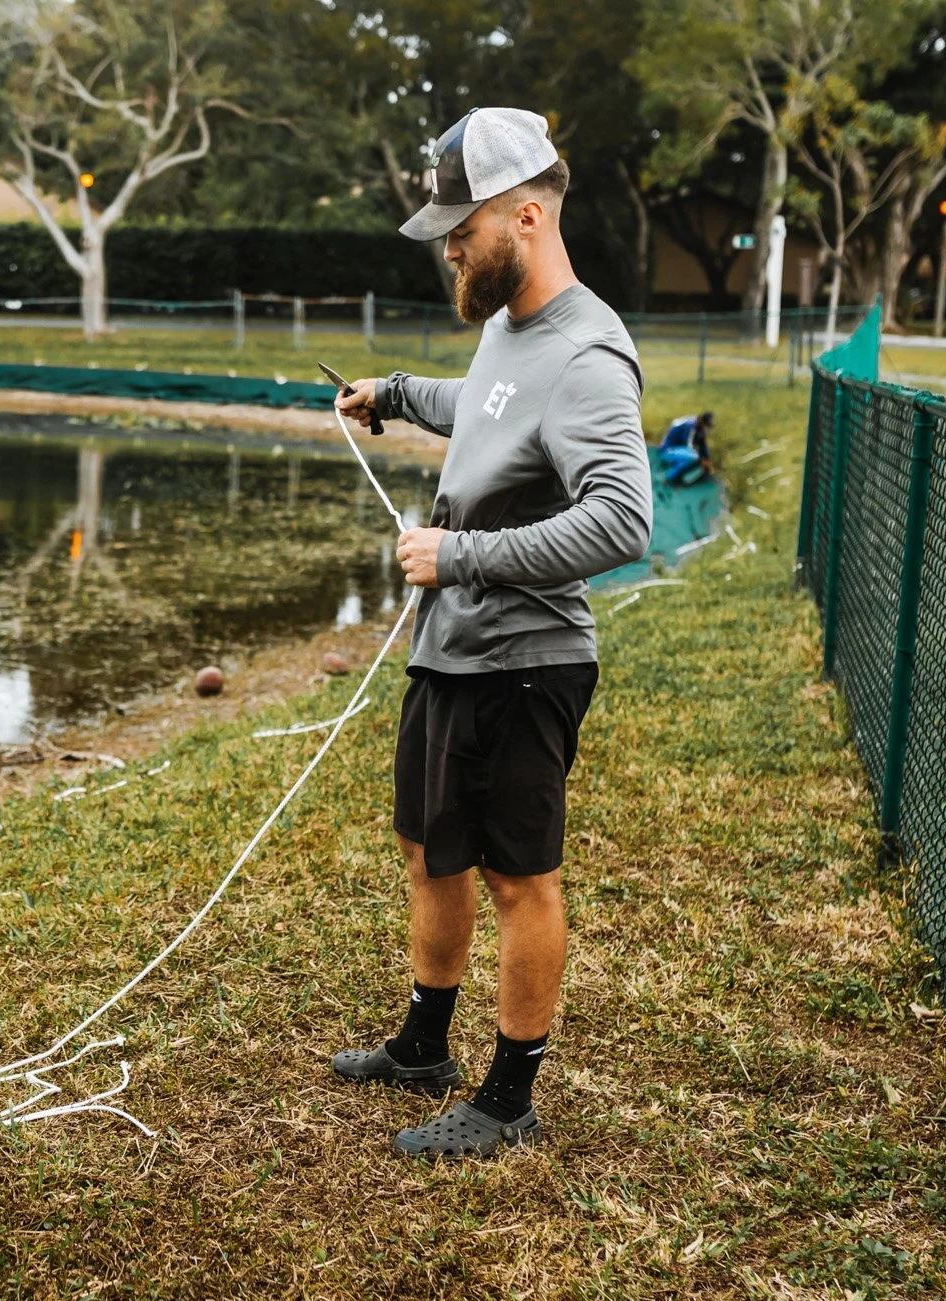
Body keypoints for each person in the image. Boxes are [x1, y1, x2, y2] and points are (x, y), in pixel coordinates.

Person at [330, 108, 653, 1160]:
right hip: (450, 649)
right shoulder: (507, 325)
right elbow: (484, 405)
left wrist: (455, 555)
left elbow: (620, 518)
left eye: (459, 228)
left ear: (525, 212)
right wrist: (393, 395)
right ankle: (424, 1045)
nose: (448, 247)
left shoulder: (590, 352)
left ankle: (508, 1098)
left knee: (517, 877)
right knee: (428, 851)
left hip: (524, 662)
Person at [658, 411, 715, 486]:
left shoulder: (700, 428)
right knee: (694, 456)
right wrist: (702, 461)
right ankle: (668, 478)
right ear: (702, 421)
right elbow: (688, 447)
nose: (707, 429)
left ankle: (676, 476)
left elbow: (703, 447)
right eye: (707, 426)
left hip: (678, 450)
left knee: (693, 458)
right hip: (667, 450)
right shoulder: (690, 425)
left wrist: (708, 461)